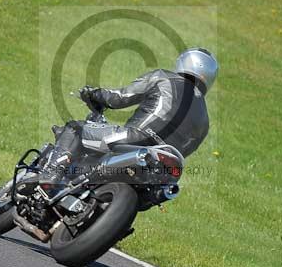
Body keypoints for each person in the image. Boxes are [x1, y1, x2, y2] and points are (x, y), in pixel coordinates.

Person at [16, 47, 218, 197]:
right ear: (209, 77)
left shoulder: (165, 77)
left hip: (135, 138)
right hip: (162, 169)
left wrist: (94, 94)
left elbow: (119, 98)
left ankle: (50, 174)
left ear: (184, 62)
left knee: (75, 129)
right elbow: (186, 150)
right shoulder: (205, 120)